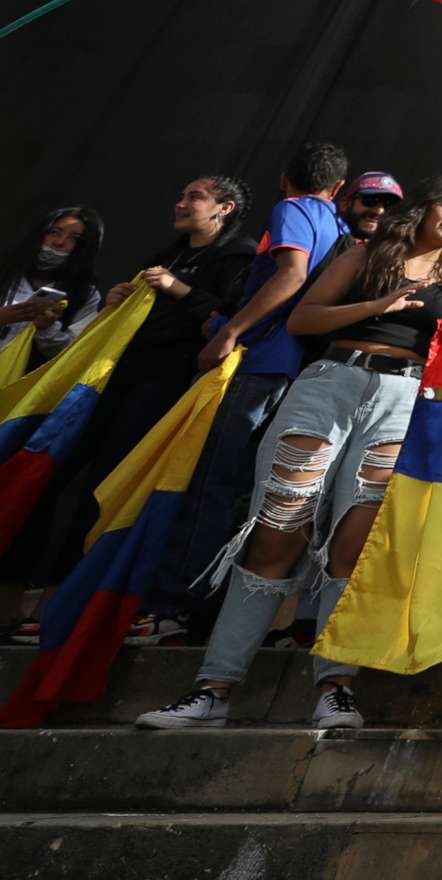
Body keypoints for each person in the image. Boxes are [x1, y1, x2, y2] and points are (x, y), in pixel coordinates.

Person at [136, 175, 442, 734]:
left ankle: (335, 687)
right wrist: (379, 303)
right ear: (425, 207)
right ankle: (213, 688)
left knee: (353, 543)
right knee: (278, 529)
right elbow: (303, 319)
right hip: (331, 383)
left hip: (404, 402)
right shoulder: (365, 254)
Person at [10, 178, 255, 642]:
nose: (180, 204)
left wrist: (177, 289)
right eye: (180, 195)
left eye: (194, 197)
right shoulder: (170, 251)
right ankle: (41, 601)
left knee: (110, 490)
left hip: (165, 387)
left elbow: (228, 319)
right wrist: (120, 302)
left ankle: (64, 610)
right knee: (59, 478)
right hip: (119, 379)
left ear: (224, 208)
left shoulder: (237, 257)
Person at [147, 142, 352, 639]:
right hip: (299, 373)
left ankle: (178, 608)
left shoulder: (296, 210)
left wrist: (230, 331)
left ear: (286, 180)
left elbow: (291, 275)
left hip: (261, 364)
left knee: (213, 482)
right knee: (250, 493)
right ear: (339, 188)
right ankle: (210, 608)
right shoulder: (344, 230)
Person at [0, 205, 106, 364]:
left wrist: (47, 329)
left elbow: (73, 356)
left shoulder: (85, 294)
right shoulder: (5, 269)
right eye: (54, 232)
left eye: (74, 238)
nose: (59, 242)